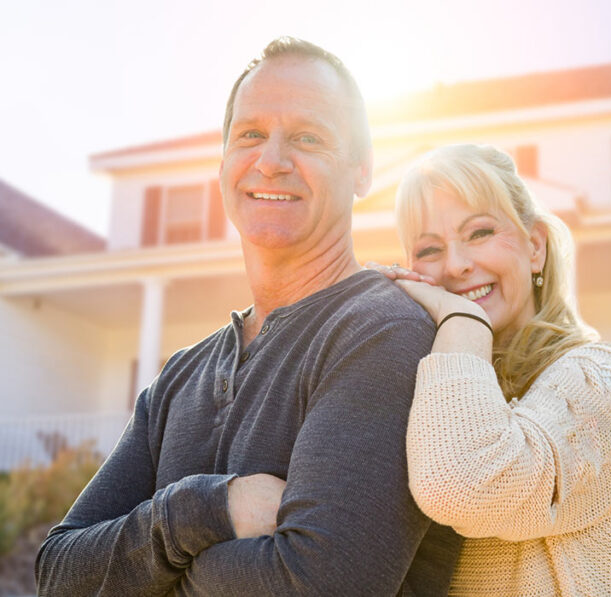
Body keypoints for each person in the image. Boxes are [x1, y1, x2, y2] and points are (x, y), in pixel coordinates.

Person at [35, 37, 461, 596]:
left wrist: (146, 576)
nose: (272, 160)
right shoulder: (179, 377)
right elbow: (57, 575)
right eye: (251, 135)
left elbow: (320, 585)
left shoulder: (383, 333)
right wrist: (206, 510)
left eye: (307, 137)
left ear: (361, 170)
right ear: (223, 163)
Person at [375, 144, 611, 595]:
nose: (455, 265)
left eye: (479, 233)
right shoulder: (432, 395)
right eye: (429, 249)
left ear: (534, 247)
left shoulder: (608, 383)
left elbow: (462, 487)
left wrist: (462, 320)